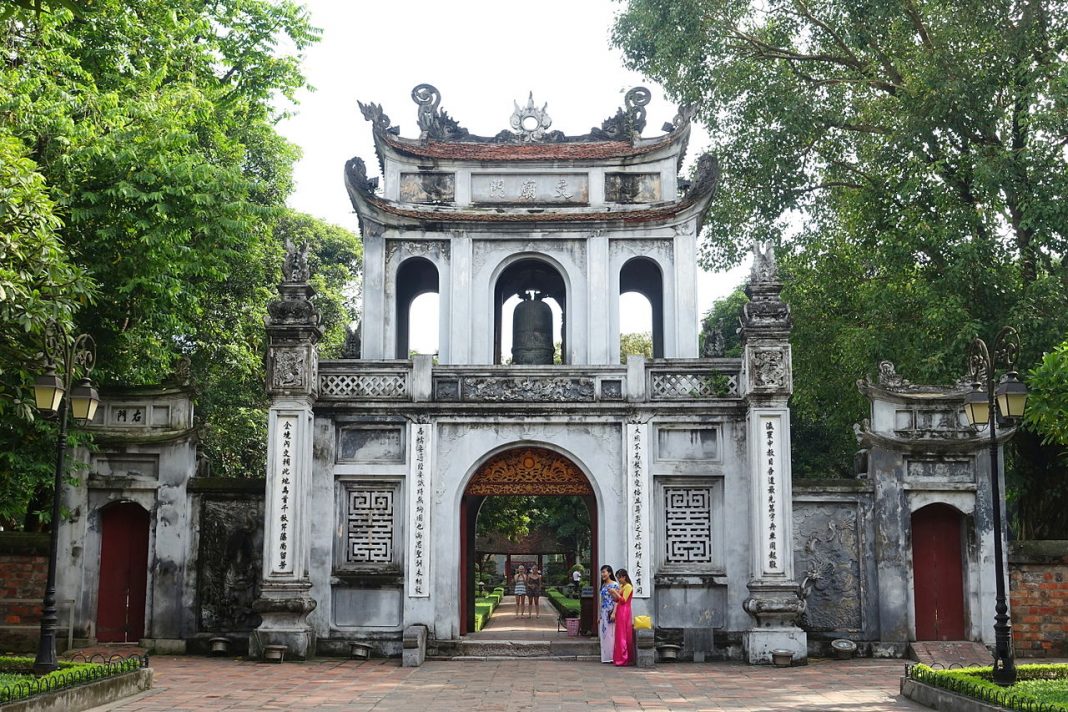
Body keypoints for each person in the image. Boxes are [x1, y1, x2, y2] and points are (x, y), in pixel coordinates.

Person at [611, 568, 635, 666]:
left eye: (619, 578)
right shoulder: (622, 586)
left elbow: (624, 600)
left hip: (625, 611)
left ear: (624, 577)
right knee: (619, 635)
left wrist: (615, 592)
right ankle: (619, 658)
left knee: (623, 635)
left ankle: (623, 659)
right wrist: (613, 593)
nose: (618, 580)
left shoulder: (628, 586)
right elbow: (617, 600)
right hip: (620, 611)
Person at [598, 565, 620, 663]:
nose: (602, 574)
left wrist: (614, 613)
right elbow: (601, 601)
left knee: (611, 634)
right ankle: (605, 657)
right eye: (601, 572)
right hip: (603, 611)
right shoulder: (603, 585)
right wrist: (599, 615)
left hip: (611, 611)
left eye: (604, 572)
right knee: (604, 634)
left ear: (610, 573)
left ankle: (612, 657)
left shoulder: (615, 585)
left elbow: (617, 600)